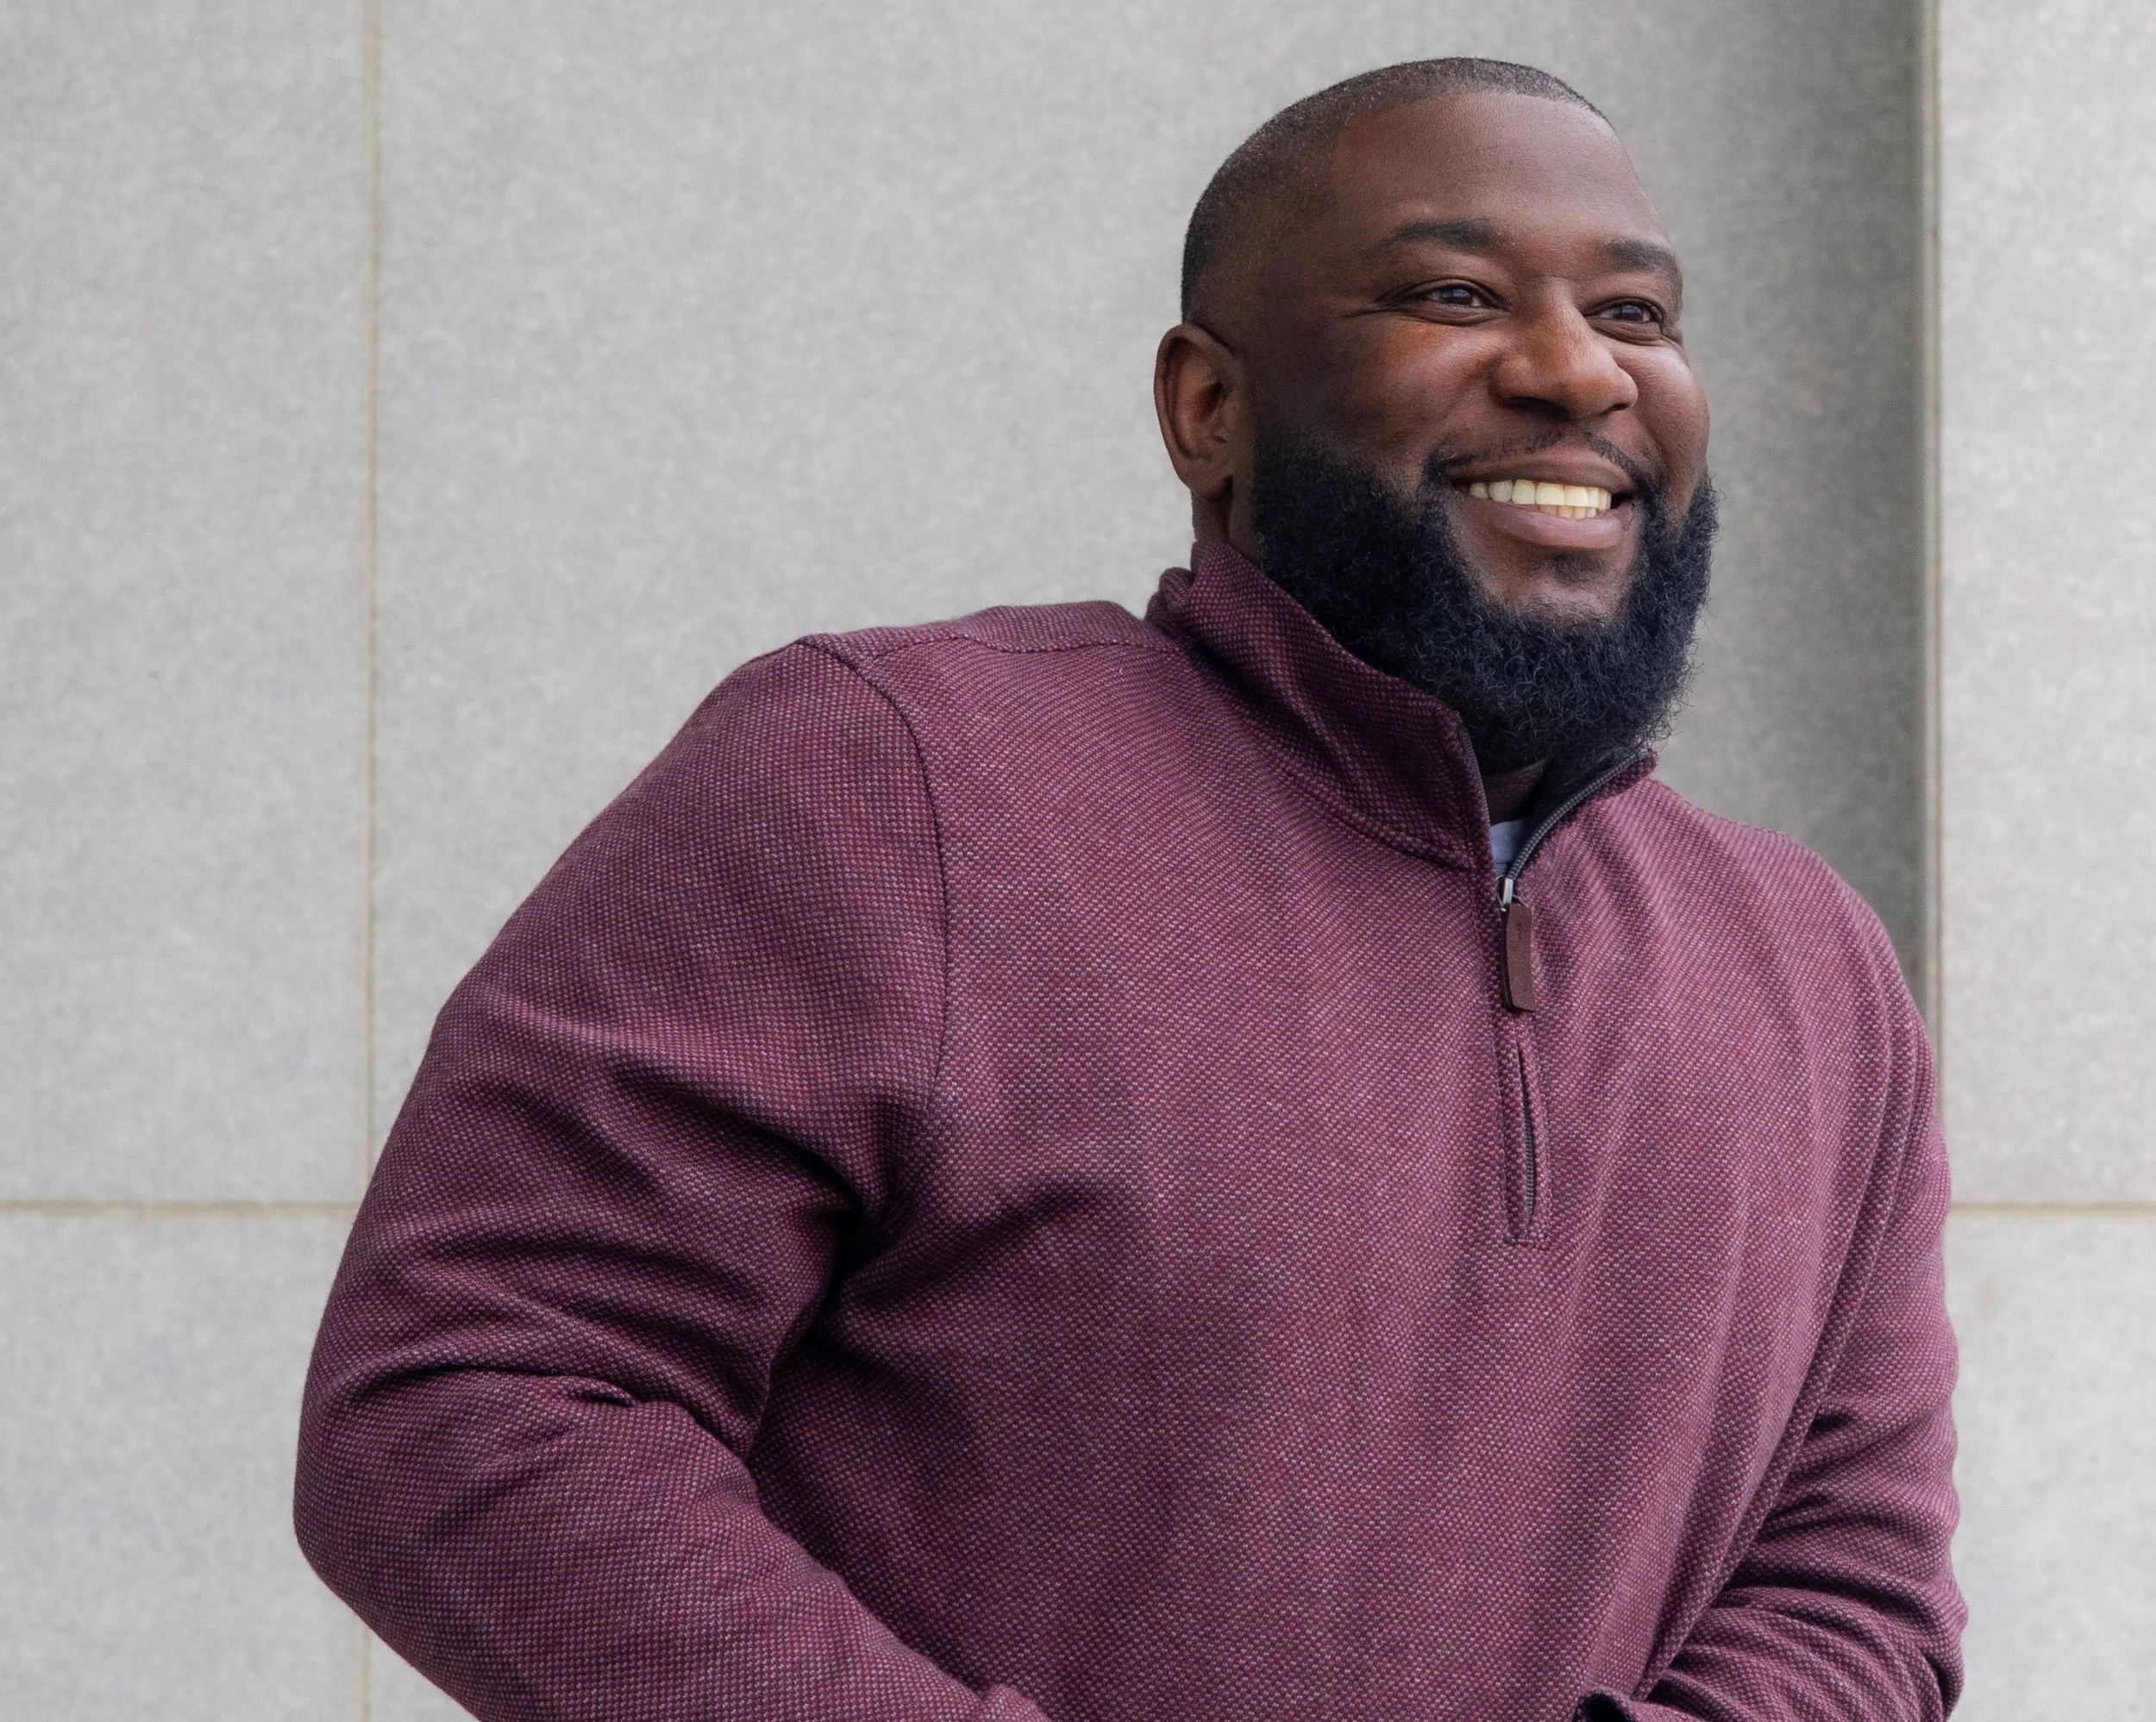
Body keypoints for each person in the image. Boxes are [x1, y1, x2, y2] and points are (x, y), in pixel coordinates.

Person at [296, 58, 1962, 1722]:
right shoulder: (888, 778)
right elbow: (468, 1392)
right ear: (1206, 411)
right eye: (1455, 293)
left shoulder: (1811, 970)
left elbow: (1852, 1587)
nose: (1576, 369)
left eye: (1639, 314)